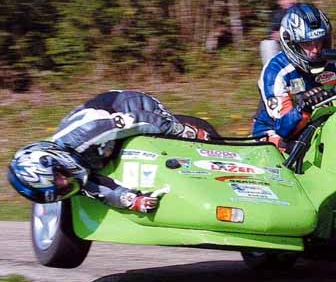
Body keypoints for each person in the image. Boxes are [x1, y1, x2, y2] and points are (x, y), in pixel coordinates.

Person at [8, 90, 215, 213]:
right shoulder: (72, 175)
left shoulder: (86, 135)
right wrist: (131, 200)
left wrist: (179, 130)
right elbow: (99, 190)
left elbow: (139, 119)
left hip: (129, 105)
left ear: (53, 159)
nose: (65, 184)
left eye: (57, 177)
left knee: (156, 140)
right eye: (60, 191)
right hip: (108, 139)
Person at [253, 3, 336, 150]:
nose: (315, 50)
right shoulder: (275, 71)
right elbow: (283, 129)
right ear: (291, 43)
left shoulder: (334, 62)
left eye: (319, 42)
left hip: (317, 125)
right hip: (274, 135)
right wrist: (304, 108)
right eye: (307, 44)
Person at [260, 0, 298, 65]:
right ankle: (271, 70)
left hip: (302, 42)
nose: (288, 2)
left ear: (295, 0)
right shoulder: (277, 15)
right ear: (279, 2)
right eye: (284, 0)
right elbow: (272, 34)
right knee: (267, 44)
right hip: (284, 44)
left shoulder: (303, 11)